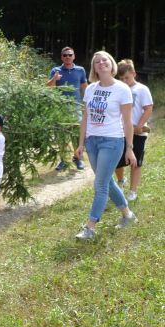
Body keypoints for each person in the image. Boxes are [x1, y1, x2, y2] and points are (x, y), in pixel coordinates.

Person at [74, 51, 137, 240]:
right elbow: (85, 118)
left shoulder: (122, 89)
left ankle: (90, 227)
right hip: (92, 141)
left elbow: (127, 122)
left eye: (105, 60)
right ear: (94, 67)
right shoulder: (90, 89)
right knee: (107, 181)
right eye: (97, 61)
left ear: (111, 64)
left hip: (112, 141)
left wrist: (129, 148)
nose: (101, 63)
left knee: (100, 184)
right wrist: (81, 143)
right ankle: (128, 215)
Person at [114, 59, 153, 201]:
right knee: (117, 160)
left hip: (138, 132)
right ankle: (121, 181)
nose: (124, 81)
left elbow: (148, 109)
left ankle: (132, 191)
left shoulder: (142, 89)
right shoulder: (118, 89)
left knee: (135, 161)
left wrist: (139, 126)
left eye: (127, 78)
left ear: (134, 74)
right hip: (120, 131)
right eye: (121, 79)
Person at [47, 46, 88, 171]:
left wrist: (87, 103)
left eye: (70, 55)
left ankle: (78, 159)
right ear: (61, 57)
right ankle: (63, 160)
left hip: (75, 106)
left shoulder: (80, 70)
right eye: (65, 55)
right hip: (60, 107)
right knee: (62, 135)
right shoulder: (56, 70)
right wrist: (54, 79)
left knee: (76, 134)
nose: (68, 57)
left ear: (74, 56)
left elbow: (84, 87)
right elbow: (48, 87)